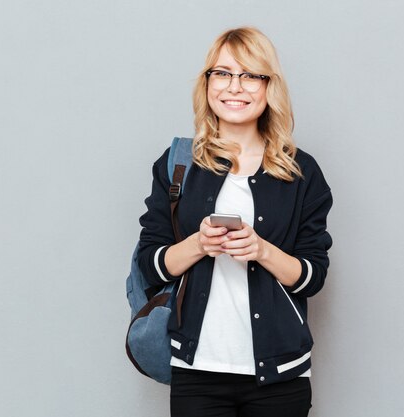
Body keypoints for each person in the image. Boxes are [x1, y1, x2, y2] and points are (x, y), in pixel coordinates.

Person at [137, 27, 332, 417]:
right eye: (222, 73)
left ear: (268, 86)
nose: (235, 87)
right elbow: (150, 265)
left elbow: (313, 277)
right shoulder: (179, 164)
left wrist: (262, 250)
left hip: (280, 375)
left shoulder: (301, 172)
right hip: (197, 370)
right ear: (207, 83)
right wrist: (199, 244)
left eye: (250, 75)